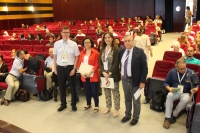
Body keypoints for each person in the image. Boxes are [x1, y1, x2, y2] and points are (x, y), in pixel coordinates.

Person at [163, 58, 198, 129]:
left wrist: (196, 88)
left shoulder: (191, 72)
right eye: (181, 68)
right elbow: (165, 83)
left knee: (186, 99)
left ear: (186, 65)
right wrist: (169, 88)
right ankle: (167, 118)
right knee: (169, 96)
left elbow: (197, 83)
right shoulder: (172, 72)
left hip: (185, 92)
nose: (183, 70)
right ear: (176, 67)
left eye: (184, 68)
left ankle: (174, 115)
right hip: (175, 90)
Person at [120, 34, 148, 126]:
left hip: (135, 80)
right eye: (125, 41)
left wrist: (142, 81)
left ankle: (135, 117)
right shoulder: (122, 52)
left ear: (133, 41)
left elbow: (145, 68)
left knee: (136, 100)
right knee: (127, 98)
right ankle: (127, 115)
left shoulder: (139, 52)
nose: (127, 42)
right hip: (124, 79)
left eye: (129, 40)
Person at [53, 26, 80, 112]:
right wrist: (55, 68)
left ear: (69, 33)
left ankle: (73, 104)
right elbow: (55, 57)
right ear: (61, 33)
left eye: (67, 32)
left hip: (70, 67)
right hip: (60, 68)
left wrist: (74, 68)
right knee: (61, 87)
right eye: (64, 32)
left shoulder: (74, 44)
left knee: (72, 87)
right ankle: (63, 104)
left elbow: (77, 57)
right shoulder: (56, 44)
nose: (66, 34)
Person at [99, 32, 121, 118]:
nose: (107, 39)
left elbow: (116, 63)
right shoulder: (102, 49)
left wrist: (109, 72)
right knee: (106, 92)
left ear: (112, 38)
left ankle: (116, 109)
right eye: (105, 38)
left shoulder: (116, 49)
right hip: (104, 74)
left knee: (115, 92)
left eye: (109, 37)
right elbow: (100, 62)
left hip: (113, 74)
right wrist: (103, 72)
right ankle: (108, 107)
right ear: (103, 40)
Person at [78, 37, 100, 113]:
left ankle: (96, 105)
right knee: (87, 91)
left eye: (88, 42)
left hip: (93, 74)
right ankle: (88, 104)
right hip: (84, 75)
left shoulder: (96, 52)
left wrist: (91, 71)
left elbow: (97, 64)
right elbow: (79, 63)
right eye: (85, 43)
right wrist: (81, 72)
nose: (87, 44)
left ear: (91, 43)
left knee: (94, 91)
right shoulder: (82, 53)